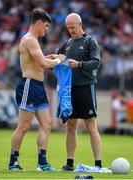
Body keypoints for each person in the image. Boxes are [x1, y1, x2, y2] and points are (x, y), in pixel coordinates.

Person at [8, 8, 65, 172]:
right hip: (29, 85)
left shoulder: (33, 40)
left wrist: (50, 57)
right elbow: (43, 65)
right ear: (39, 23)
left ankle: (42, 163)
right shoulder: (29, 40)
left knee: (47, 124)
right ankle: (13, 162)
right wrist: (59, 60)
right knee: (24, 126)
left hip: (38, 87)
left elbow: (39, 61)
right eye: (46, 26)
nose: (47, 29)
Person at [57, 13, 102, 171]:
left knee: (90, 124)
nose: (70, 30)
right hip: (70, 90)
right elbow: (58, 59)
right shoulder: (67, 43)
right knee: (71, 125)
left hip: (86, 87)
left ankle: (98, 164)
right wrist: (52, 59)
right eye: (68, 28)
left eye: (73, 27)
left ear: (80, 24)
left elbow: (96, 63)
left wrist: (79, 65)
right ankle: (69, 163)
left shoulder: (90, 41)